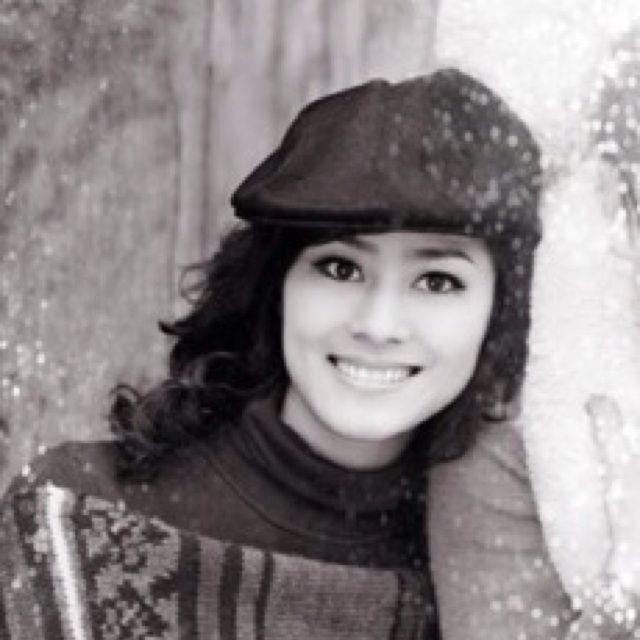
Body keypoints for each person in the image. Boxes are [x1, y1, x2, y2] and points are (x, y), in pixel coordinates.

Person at [0, 68, 542, 639]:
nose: (379, 326)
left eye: (437, 281)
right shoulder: (80, 515)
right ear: (274, 286)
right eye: (340, 268)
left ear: (501, 313)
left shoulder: (506, 574)